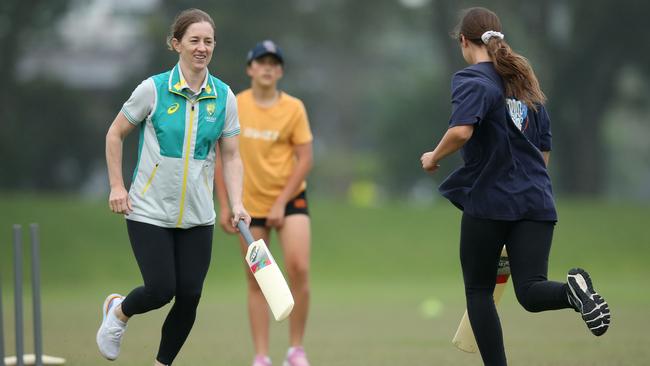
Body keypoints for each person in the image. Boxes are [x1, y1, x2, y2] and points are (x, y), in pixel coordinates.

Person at [420, 7, 610, 365]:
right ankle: (573, 293)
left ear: (464, 40)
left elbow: (462, 131)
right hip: (536, 201)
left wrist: (433, 156)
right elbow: (544, 151)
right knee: (530, 290)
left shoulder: (472, 80)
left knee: (479, 291)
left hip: (490, 202)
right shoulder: (524, 82)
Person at [97, 8, 250, 366]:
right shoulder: (153, 89)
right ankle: (118, 311)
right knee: (160, 290)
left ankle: (162, 363)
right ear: (176, 44)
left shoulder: (224, 97)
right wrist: (117, 186)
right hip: (148, 209)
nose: (202, 47)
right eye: (194, 40)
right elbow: (115, 133)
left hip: (199, 215)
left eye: (208, 41)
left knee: (190, 295)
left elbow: (231, 157)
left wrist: (238, 202)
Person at [215, 40, 314, 366]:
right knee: (258, 279)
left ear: (281, 70)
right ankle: (261, 356)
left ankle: (295, 350)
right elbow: (221, 157)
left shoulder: (293, 108)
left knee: (298, 269)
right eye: (261, 62)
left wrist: (280, 203)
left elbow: (305, 158)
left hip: (289, 199)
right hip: (248, 206)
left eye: (274, 63)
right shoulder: (235, 104)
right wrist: (226, 205)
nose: (267, 67)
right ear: (250, 69)